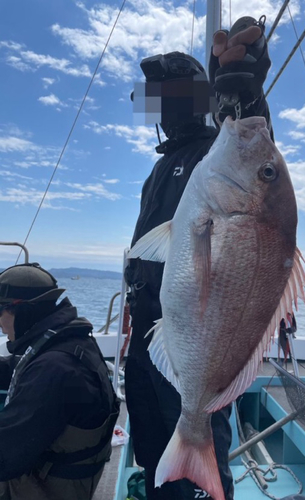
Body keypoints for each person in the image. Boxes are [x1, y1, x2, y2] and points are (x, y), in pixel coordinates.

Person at [125, 15, 273, 500]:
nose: (159, 108)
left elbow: (258, 177)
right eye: (155, 99)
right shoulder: (160, 167)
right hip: (152, 339)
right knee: (151, 455)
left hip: (197, 344)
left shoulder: (216, 151)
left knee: (198, 480)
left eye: (168, 94)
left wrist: (242, 94)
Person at [0, 263, 119, 500]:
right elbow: (24, 365)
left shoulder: (54, 370)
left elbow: (5, 458)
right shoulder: (70, 343)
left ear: (21, 310)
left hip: (46, 488)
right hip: (72, 478)